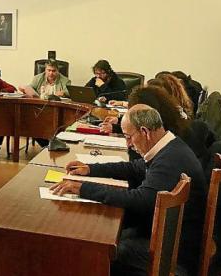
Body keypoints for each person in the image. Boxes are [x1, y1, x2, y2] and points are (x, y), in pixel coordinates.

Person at [51, 105, 206, 276]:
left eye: (128, 137)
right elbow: (133, 168)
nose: (128, 144)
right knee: (108, 233)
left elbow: (140, 200)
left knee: (98, 247)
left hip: (173, 255)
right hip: (168, 239)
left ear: (145, 132)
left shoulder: (170, 160)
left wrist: (83, 188)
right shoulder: (170, 147)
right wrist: (90, 169)